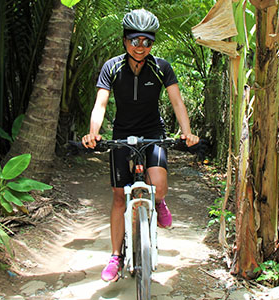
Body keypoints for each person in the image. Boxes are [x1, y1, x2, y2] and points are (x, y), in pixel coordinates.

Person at [82, 8, 199, 282]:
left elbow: (177, 102)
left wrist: (187, 132)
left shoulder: (161, 68)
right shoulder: (112, 67)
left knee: (158, 186)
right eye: (135, 40)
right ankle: (115, 256)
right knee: (119, 196)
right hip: (122, 132)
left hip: (153, 131)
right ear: (125, 40)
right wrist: (93, 133)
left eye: (147, 41)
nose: (141, 47)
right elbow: (101, 104)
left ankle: (158, 203)